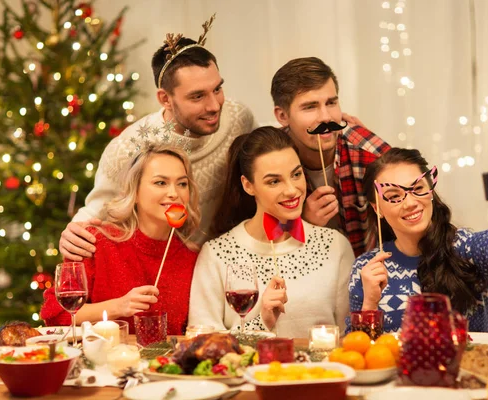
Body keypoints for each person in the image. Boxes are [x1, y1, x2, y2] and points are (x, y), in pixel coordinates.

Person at [59, 16, 257, 261]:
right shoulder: (128, 149)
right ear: (165, 99)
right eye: (197, 97)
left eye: (217, 89)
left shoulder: (238, 118)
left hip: (227, 264)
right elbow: (96, 214)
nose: (214, 105)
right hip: (161, 272)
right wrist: (72, 234)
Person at [348, 148, 488, 332]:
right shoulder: (366, 268)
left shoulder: (465, 248)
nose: (410, 203)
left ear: (430, 191)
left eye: (417, 188)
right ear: (377, 209)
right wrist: (370, 304)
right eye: (394, 196)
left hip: (467, 368)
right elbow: (358, 352)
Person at [190, 127, 353, 337]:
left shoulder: (335, 246)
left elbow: (348, 338)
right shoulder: (216, 254)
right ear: (248, 186)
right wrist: (261, 322)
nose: (292, 190)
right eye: (274, 181)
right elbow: (203, 342)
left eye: (296, 174)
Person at [41, 144, 200, 335]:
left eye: (182, 184)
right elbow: (54, 314)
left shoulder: (192, 258)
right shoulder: (95, 242)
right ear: (135, 193)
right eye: (161, 183)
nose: (175, 193)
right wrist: (119, 306)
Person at [271, 57, 391, 257]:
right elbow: (256, 239)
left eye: (331, 103)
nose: (326, 117)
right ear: (282, 116)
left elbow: (421, 210)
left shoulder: (369, 153)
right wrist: (303, 225)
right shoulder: (270, 160)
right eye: (310, 107)